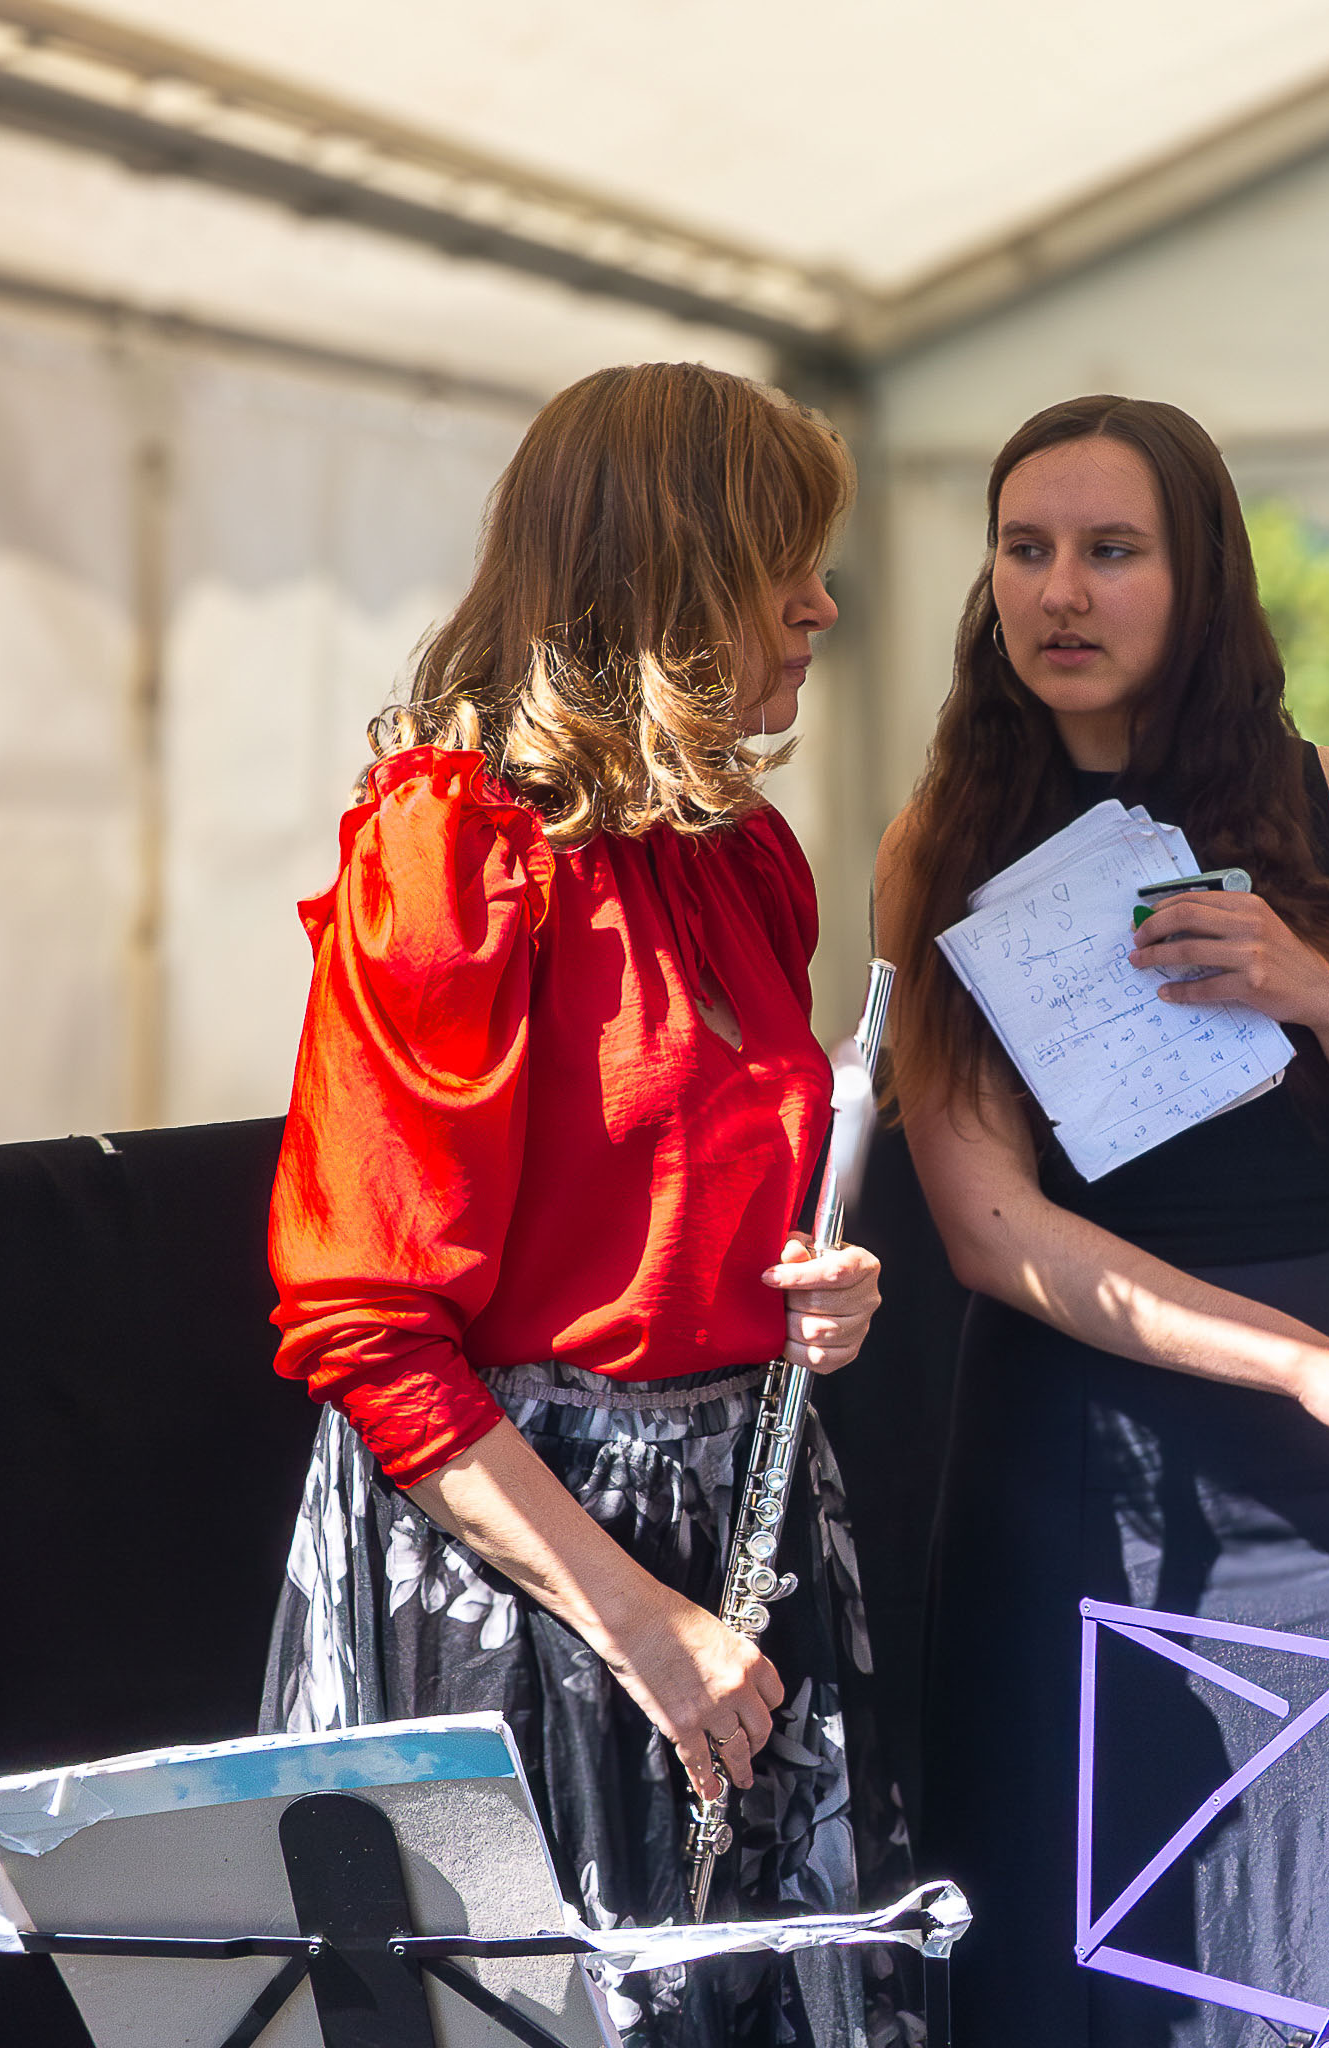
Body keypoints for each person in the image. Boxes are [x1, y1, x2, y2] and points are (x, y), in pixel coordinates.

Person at [259, 362, 910, 2048]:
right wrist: (641, 1624)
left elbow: (693, 1210)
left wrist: (810, 1294)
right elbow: (369, 1333)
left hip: (736, 1538)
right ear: (674, 574)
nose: (822, 606)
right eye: (785, 562)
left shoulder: (740, 855)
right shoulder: (454, 844)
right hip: (533, 1577)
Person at [876, 395, 1329, 2046]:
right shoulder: (938, 840)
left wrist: (1327, 991)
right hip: (1075, 1462)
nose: (1059, 592)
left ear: (1201, 575)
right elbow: (985, 1227)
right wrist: (1312, 1366)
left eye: (1111, 550)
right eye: (1025, 549)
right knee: (1069, 1955)